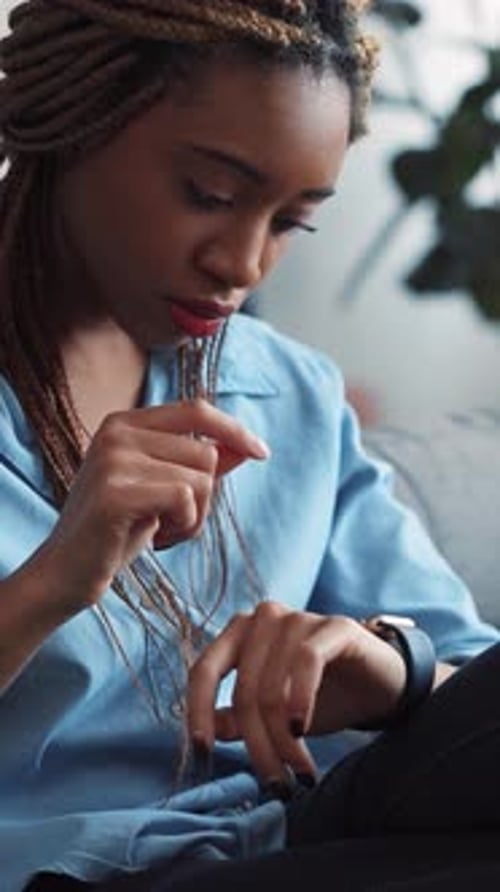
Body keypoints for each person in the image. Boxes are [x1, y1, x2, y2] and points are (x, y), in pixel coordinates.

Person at [1, 2, 500, 890]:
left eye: (289, 222)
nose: (244, 264)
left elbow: (473, 682)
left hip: (300, 834)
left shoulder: (289, 392)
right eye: (212, 196)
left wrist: (383, 667)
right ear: (69, 124)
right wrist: (50, 583)